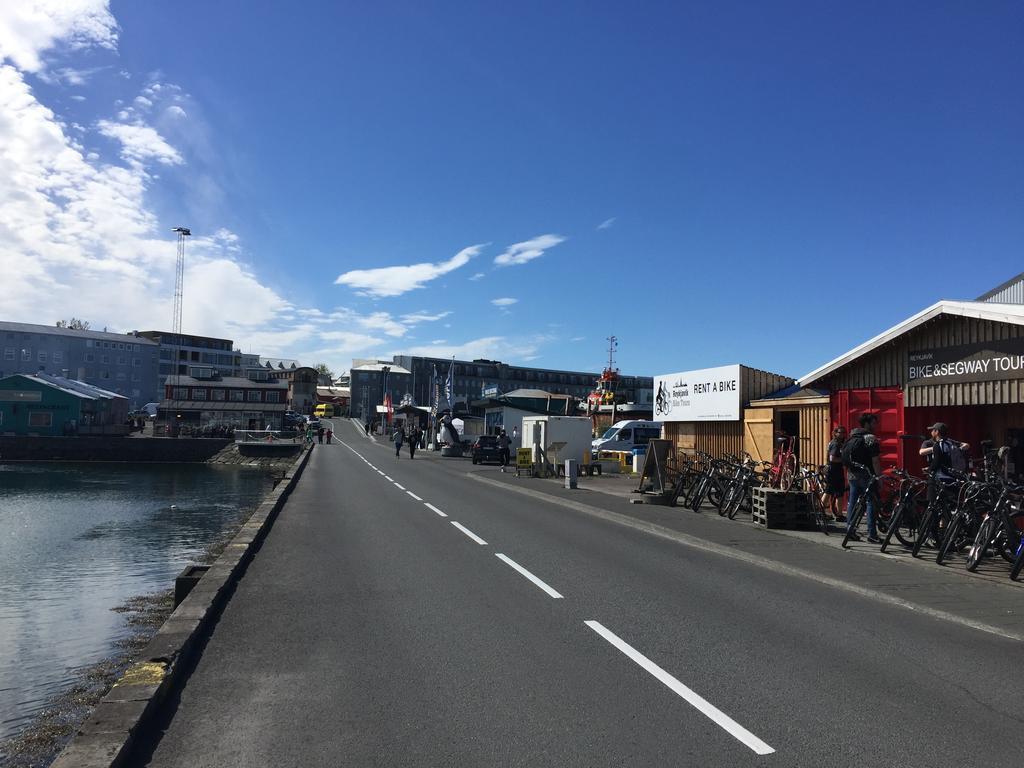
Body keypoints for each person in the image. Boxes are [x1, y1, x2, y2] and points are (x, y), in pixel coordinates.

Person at [842, 412, 883, 543]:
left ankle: (850, 530)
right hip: (867, 474)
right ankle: (872, 534)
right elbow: (875, 460)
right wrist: (879, 477)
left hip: (852, 474)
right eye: (873, 423)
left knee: (852, 502)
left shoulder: (852, 436)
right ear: (867, 423)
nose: (875, 425)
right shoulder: (870, 438)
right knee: (871, 502)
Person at [823, 426, 847, 522]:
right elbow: (832, 458)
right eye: (840, 432)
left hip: (838, 470)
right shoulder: (835, 444)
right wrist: (844, 460)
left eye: (843, 432)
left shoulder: (840, 443)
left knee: (839, 493)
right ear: (835, 433)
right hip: (833, 470)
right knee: (828, 491)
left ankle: (839, 514)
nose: (842, 434)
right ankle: (821, 512)